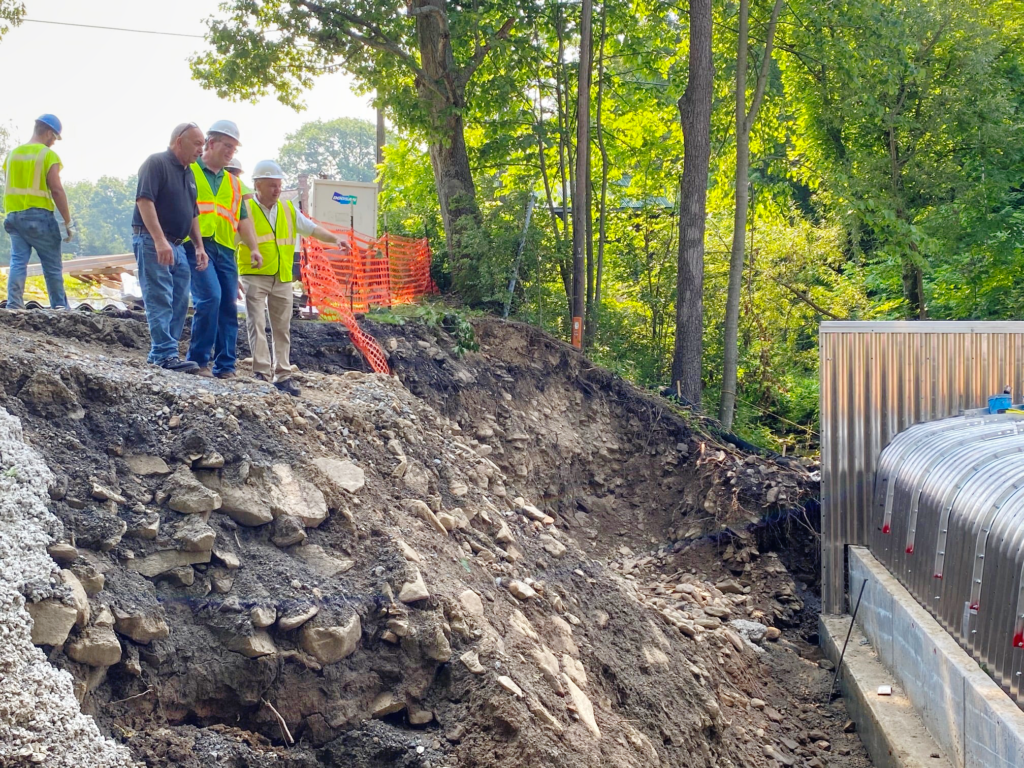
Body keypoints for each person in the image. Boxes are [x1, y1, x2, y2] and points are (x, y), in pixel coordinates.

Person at [237, 159, 344, 397]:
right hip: (254, 274)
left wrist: (336, 239)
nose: (277, 189)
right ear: (258, 185)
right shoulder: (246, 210)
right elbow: (233, 243)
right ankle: (261, 372)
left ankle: (282, 374)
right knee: (256, 323)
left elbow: (312, 228)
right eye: (272, 185)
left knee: (281, 328)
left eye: (279, 184)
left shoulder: (287, 209)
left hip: (282, 276)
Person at [185, 121, 261, 379]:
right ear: (211, 143)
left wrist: (254, 248)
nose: (231, 151)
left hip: (225, 249)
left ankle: (226, 366)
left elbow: (243, 219)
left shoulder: (235, 184)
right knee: (210, 298)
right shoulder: (189, 170)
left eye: (234, 147)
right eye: (227, 145)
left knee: (228, 304)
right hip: (197, 244)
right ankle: (198, 361)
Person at [132, 123, 208, 373]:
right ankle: (165, 354)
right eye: (197, 143)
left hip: (178, 245)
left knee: (178, 300)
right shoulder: (156, 163)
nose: (201, 149)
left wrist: (199, 245)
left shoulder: (190, 173)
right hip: (154, 241)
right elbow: (145, 200)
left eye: (203, 144)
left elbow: (193, 212)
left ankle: (163, 354)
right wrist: (159, 240)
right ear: (179, 141)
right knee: (159, 297)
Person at [3, 114, 75, 309]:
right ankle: (59, 307)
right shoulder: (46, 155)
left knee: (18, 261)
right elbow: (57, 190)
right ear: (49, 133)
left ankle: (14, 305)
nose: (54, 143)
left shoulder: (12, 155)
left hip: (14, 217)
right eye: (55, 138)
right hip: (39, 218)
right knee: (51, 265)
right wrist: (68, 222)